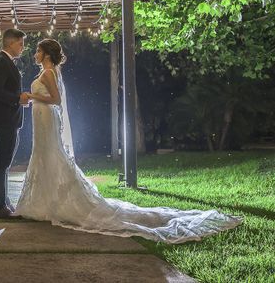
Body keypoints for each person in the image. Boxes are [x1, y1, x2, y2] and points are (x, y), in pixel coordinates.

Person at [14, 38, 244, 244]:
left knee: (50, 156)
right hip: (43, 120)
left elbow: (54, 99)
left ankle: (50, 204)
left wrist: (30, 96)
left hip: (46, 117)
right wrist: (33, 100)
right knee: (46, 157)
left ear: (45, 54)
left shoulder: (48, 73)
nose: (34, 53)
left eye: (37, 50)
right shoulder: (50, 72)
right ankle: (45, 202)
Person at [0, 28, 31, 219]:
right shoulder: (1, 63)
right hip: (4, 120)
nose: (23, 48)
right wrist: (17, 99)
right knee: (2, 163)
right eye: (20, 44)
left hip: (9, 119)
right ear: (10, 43)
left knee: (5, 163)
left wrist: (20, 99)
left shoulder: (7, 63)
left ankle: (3, 202)